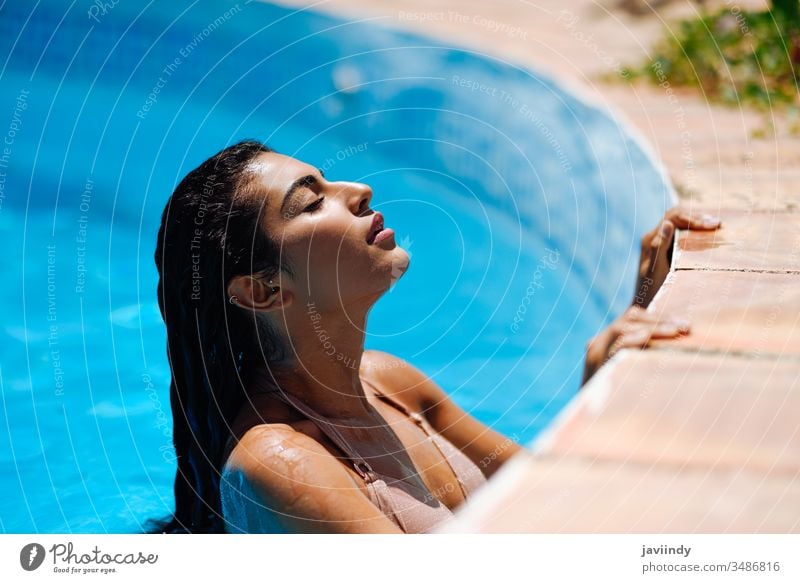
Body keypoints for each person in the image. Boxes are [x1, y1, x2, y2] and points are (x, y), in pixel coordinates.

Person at [144, 140, 719, 534]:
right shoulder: (280, 464)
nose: (359, 189)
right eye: (312, 201)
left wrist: (644, 303)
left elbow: (563, 499)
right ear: (264, 291)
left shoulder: (392, 384)